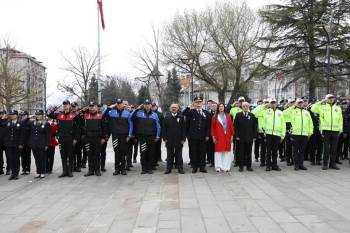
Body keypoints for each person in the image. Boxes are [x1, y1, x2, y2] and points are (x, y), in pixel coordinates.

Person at [47, 100, 79, 178]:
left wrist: (75, 138)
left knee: (70, 155)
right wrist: (54, 109)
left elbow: (76, 128)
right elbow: (49, 114)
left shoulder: (73, 115)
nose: (65, 106)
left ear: (69, 106)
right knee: (63, 155)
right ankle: (64, 171)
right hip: (61, 138)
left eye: (66, 104)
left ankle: (70, 171)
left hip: (70, 138)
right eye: (64, 104)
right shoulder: (59, 114)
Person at [311, 94, 343, 170]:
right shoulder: (322, 107)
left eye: (332, 98)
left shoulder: (338, 108)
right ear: (326, 99)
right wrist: (320, 102)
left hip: (335, 131)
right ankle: (325, 164)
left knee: (334, 149)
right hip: (326, 131)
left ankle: (332, 164)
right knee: (326, 149)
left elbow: (340, 120)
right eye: (329, 98)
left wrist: (340, 129)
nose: (331, 99)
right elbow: (312, 109)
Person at [131, 99, 161, 174]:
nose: (147, 106)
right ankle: (144, 169)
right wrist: (137, 109)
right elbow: (131, 118)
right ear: (144, 105)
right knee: (143, 152)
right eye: (145, 104)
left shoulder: (154, 114)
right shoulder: (139, 113)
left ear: (150, 105)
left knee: (151, 153)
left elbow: (158, 126)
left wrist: (157, 136)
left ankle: (149, 168)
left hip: (151, 137)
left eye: (148, 104)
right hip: (142, 137)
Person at [105, 98, 133, 176]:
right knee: (116, 152)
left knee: (123, 152)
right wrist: (110, 107)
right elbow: (103, 115)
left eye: (120, 103)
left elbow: (131, 125)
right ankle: (117, 169)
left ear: (123, 105)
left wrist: (129, 135)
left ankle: (123, 169)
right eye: (118, 103)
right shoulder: (112, 112)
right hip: (115, 136)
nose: (119, 105)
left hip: (124, 136)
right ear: (116, 104)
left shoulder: (128, 113)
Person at [183, 96, 211, 173]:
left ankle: (202, 167)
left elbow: (208, 125)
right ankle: (194, 167)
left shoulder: (206, 113)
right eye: (197, 102)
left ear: (202, 103)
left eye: (200, 102)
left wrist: (207, 135)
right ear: (194, 103)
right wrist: (190, 106)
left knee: (202, 152)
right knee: (193, 151)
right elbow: (183, 113)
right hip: (193, 136)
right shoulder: (191, 112)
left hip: (203, 136)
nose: (198, 103)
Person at [285, 99, 313, 171]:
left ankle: (301, 164)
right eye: (298, 103)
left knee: (302, 151)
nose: (300, 104)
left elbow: (310, 123)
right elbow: (284, 113)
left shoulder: (306, 112)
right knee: (295, 151)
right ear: (296, 103)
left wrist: (310, 133)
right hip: (295, 134)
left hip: (304, 134)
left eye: (301, 102)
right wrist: (293, 106)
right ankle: (296, 165)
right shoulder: (292, 111)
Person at [82, 102, 107, 177]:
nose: (92, 108)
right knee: (89, 154)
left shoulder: (100, 115)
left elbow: (104, 127)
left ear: (96, 107)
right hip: (88, 138)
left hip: (97, 138)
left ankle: (97, 170)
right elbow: (81, 124)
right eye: (90, 106)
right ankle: (90, 170)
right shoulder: (85, 115)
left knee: (97, 154)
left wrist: (103, 138)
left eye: (93, 106)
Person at [262, 99, 286, 171]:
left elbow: (283, 124)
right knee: (268, 151)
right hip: (268, 134)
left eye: (274, 103)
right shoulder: (266, 112)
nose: (273, 104)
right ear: (269, 104)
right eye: (271, 103)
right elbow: (263, 122)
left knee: (275, 151)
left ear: (276, 104)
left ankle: (274, 165)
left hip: (277, 134)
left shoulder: (280, 112)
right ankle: (268, 165)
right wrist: (264, 131)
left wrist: (282, 135)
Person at [163, 103, 186, 174]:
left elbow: (184, 129)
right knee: (169, 155)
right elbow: (164, 129)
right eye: (172, 107)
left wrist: (183, 139)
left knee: (179, 155)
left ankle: (180, 169)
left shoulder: (181, 117)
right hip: (169, 140)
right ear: (170, 109)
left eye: (175, 107)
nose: (174, 108)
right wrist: (164, 138)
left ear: (177, 108)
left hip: (179, 140)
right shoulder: (166, 117)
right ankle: (168, 169)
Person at [234, 102, 257, 172]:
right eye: (244, 106)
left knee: (249, 152)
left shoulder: (252, 115)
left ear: (248, 107)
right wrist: (237, 135)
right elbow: (235, 126)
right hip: (241, 138)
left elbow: (254, 127)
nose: (245, 107)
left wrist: (254, 136)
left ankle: (249, 166)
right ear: (242, 107)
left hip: (249, 137)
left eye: (247, 106)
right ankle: (241, 166)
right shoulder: (238, 115)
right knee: (241, 152)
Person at [211, 103, 234, 172]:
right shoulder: (215, 117)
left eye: (222, 106)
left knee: (227, 152)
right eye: (220, 106)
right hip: (218, 136)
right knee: (218, 152)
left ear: (224, 107)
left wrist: (232, 135)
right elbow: (212, 128)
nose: (221, 108)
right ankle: (218, 167)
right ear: (218, 108)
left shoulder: (228, 116)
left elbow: (231, 126)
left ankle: (226, 167)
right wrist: (213, 137)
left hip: (227, 136)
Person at [28, 110, 50, 179]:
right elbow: (30, 133)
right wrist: (30, 143)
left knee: (42, 158)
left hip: (42, 143)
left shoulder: (46, 123)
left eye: (39, 114)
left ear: (42, 115)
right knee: (36, 158)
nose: (38, 116)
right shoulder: (32, 123)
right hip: (34, 144)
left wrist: (46, 144)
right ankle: (38, 172)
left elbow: (48, 135)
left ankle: (43, 172)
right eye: (37, 115)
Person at [2, 110, 24, 180]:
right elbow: (5, 133)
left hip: (17, 144)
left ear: (17, 115)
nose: (12, 116)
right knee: (11, 159)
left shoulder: (20, 123)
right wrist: (6, 142)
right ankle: (13, 173)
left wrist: (21, 143)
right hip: (9, 144)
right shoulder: (8, 123)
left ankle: (16, 173)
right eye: (11, 114)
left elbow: (22, 134)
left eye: (14, 114)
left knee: (16, 159)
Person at [252, 99, 268, 166]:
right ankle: (258, 158)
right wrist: (261, 106)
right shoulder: (259, 110)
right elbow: (253, 113)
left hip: (268, 131)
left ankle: (264, 160)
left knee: (265, 147)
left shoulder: (269, 111)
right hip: (260, 131)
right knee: (258, 145)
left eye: (267, 103)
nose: (266, 104)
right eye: (265, 103)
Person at [71, 102, 83, 172]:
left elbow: (82, 126)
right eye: (72, 107)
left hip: (79, 136)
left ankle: (78, 166)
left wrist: (77, 115)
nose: (73, 108)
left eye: (74, 106)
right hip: (71, 136)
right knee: (72, 152)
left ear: (77, 107)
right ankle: (73, 165)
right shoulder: (70, 114)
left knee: (78, 152)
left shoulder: (80, 115)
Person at [152, 102, 163, 167]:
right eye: (152, 106)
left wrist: (161, 135)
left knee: (157, 148)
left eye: (154, 106)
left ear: (156, 107)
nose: (153, 107)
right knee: (152, 148)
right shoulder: (150, 113)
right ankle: (153, 161)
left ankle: (157, 160)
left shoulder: (160, 114)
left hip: (158, 134)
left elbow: (162, 125)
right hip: (152, 133)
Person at [206, 100, 216, 167]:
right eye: (212, 106)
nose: (214, 107)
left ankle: (217, 161)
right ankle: (212, 161)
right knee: (210, 149)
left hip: (217, 134)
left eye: (215, 106)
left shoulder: (219, 114)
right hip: (210, 134)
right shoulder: (208, 114)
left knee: (216, 149)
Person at [0, 110, 9, 175]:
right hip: (0, 142)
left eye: (3, 114)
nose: (1, 115)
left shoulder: (8, 121)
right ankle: (0, 170)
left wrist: (3, 119)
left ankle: (8, 169)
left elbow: (4, 125)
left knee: (8, 156)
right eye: (0, 114)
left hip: (7, 142)